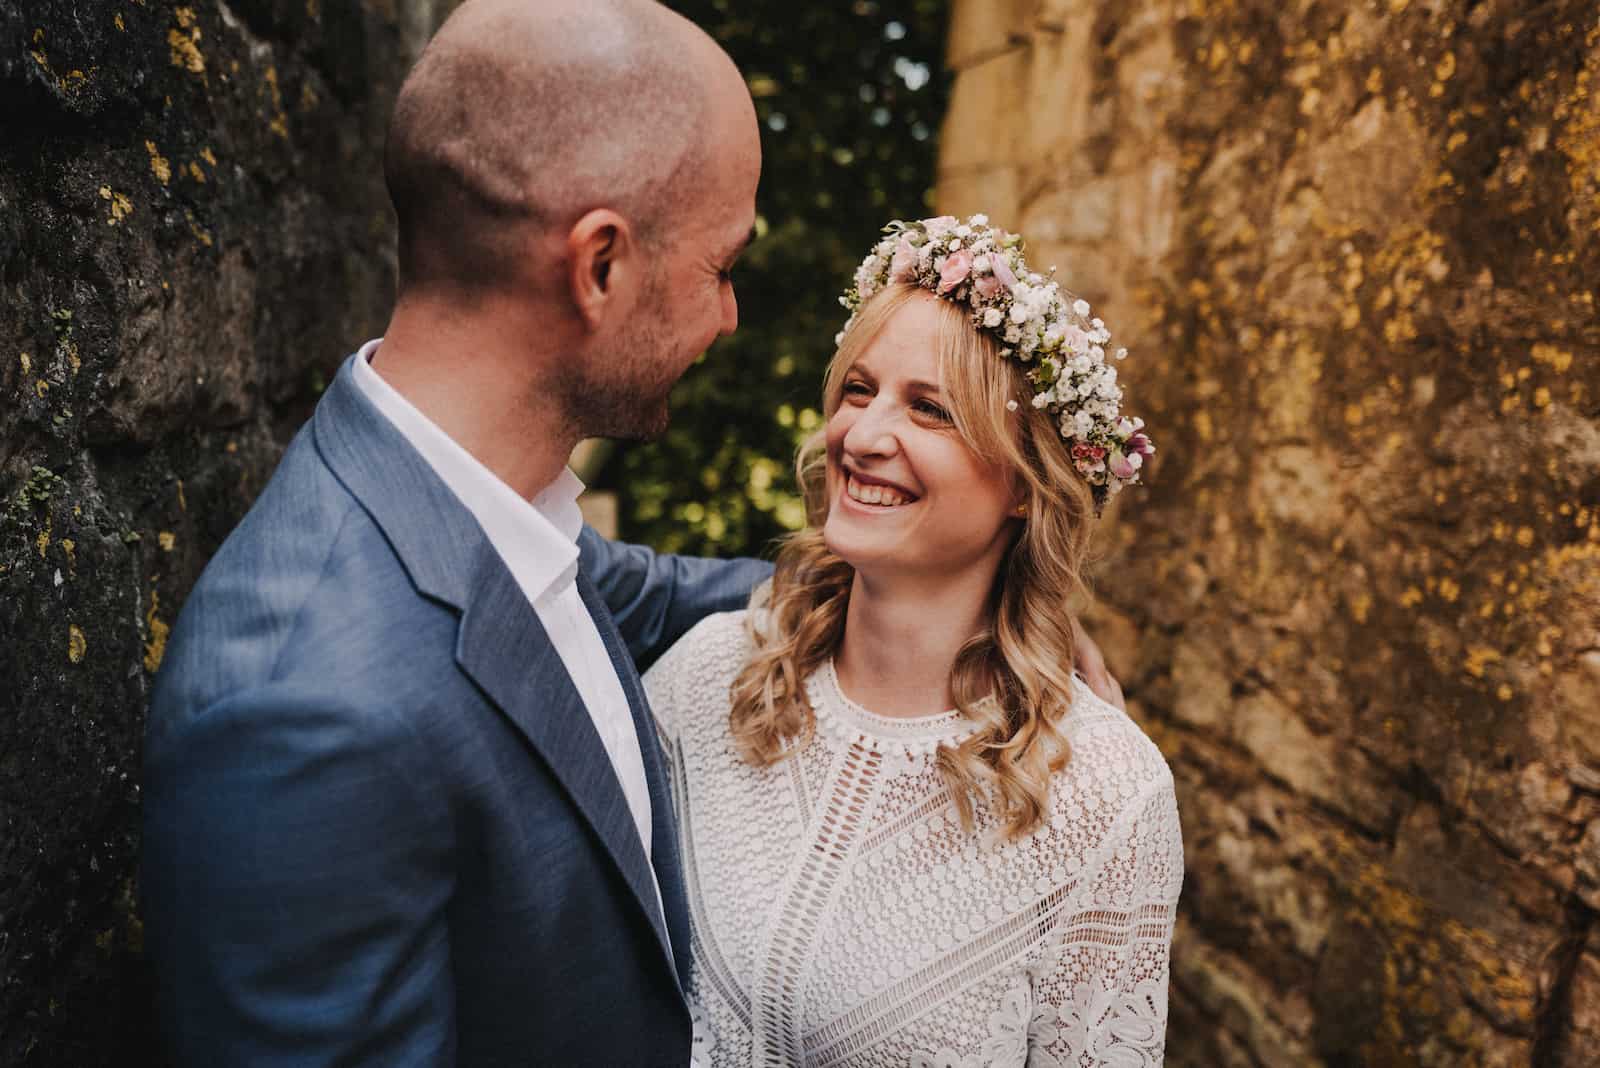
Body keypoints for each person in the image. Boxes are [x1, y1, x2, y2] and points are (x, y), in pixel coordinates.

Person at [140, 1, 770, 1064]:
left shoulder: (476, 503)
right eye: (721, 266)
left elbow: (640, 591)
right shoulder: (306, 718)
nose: (727, 316)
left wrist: (925, 595)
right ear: (600, 266)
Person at [644, 214, 1181, 1066]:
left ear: (1023, 483)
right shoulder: (710, 673)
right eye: (858, 391)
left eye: (928, 409)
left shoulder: (1107, 797)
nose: (862, 437)